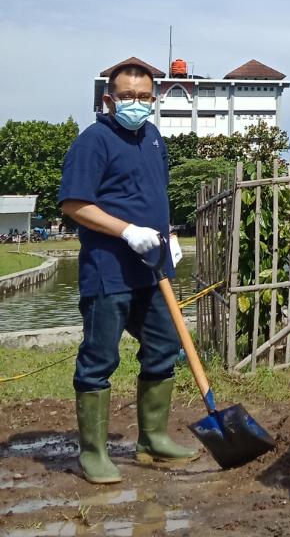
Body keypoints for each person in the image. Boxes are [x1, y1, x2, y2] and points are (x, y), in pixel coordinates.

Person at [58, 60, 199, 485]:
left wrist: (165, 234)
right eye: (126, 97)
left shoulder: (154, 138)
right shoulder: (93, 142)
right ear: (108, 100)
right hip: (109, 270)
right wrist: (127, 231)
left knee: (162, 346)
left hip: (152, 269)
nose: (136, 104)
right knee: (100, 357)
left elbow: (149, 194)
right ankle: (94, 453)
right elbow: (73, 204)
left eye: (143, 97)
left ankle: (153, 438)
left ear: (153, 99)